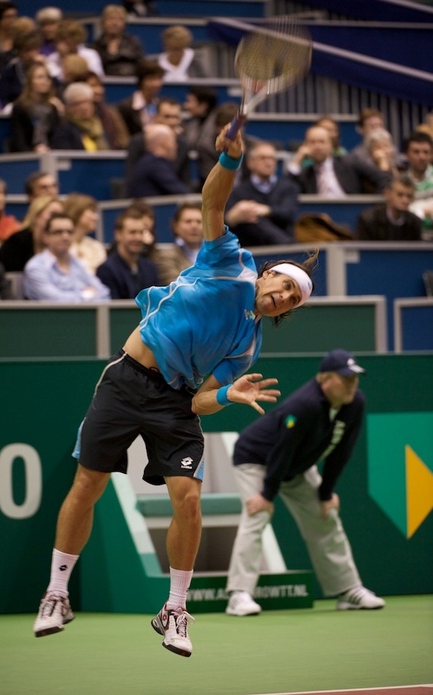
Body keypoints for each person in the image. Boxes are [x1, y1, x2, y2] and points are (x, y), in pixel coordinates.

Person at [32, 125, 317, 659]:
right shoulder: (228, 262)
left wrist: (229, 396)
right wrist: (230, 158)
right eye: (282, 285)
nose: (281, 297)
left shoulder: (246, 345)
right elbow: (213, 199)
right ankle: (56, 593)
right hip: (127, 379)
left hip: (174, 402)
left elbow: (197, 403)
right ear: (268, 274)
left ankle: (176, 610)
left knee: (188, 502)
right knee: (88, 484)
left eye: (291, 301)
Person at [225, 348, 386, 617]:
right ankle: (239, 595)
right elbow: (281, 450)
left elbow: (342, 450)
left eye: (354, 378)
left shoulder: (354, 402)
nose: (351, 384)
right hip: (255, 458)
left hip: (296, 465)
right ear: (324, 379)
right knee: (257, 515)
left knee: (326, 517)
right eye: (344, 378)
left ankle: (348, 590)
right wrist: (266, 495)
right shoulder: (304, 405)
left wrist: (326, 494)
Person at [225, 140, 300, 246]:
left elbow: (288, 212)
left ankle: (286, 244)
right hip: (252, 249)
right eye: (263, 158)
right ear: (250, 163)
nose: (268, 163)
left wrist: (266, 210)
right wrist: (231, 218)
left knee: (252, 213)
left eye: (272, 158)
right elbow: (227, 220)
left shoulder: (288, 187)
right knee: (250, 214)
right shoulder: (238, 191)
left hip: (284, 246)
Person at [23, 212, 110, 301]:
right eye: (58, 232)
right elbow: (56, 301)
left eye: (69, 232)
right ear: (46, 237)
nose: (65, 237)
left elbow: (104, 293)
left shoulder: (76, 262)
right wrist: (86, 295)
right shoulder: (36, 267)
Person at [287, 125, 391, 196]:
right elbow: (287, 192)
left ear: (330, 145)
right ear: (306, 146)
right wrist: (297, 159)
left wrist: (375, 204)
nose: (317, 146)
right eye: (312, 142)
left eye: (321, 142)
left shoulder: (350, 162)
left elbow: (384, 178)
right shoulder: (305, 173)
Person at [125, 97, 190, 193]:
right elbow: (131, 179)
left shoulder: (182, 145)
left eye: (176, 117)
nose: (172, 122)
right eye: (167, 117)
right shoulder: (138, 142)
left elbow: (185, 181)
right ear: (156, 117)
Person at [96, 204, 159, 298]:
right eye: (132, 232)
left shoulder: (150, 268)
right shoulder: (107, 270)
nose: (137, 237)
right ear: (118, 234)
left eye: (141, 232)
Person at [0, 194, 63, 271]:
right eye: (53, 214)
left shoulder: (62, 242)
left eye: (61, 215)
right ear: (36, 216)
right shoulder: (17, 242)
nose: (58, 219)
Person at [126, 123, 191, 197]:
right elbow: (182, 193)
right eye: (173, 141)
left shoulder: (148, 161)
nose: (176, 147)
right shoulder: (155, 165)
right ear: (164, 143)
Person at [9, 61, 62, 152]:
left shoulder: (52, 108)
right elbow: (19, 140)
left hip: (50, 153)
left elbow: (57, 137)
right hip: (27, 155)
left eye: (47, 78)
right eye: (40, 77)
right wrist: (34, 151)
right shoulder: (20, 107)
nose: (45, 81)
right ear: (30, 81)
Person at [355, 175, 422, 241]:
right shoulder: (368, 221)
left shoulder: (415, 223)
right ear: (387, 194)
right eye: (400, 195)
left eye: (409, 196)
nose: (405, 200)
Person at [152, 202, 203, 285]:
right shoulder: (165, 256)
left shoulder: (217, 254)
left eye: (199, 222)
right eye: (188, 221)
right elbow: (177, 286)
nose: (194, 226)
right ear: (176, 226)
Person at [50, 82, 110, 151]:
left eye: (87, 102)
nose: (84, 107)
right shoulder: (63, 132)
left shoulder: (100, 126)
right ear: (69, 108)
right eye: (78, 103)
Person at [0, 29, 43, 108]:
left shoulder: (44, 68)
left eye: (35, 49)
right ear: (19, 52)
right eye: (28, 50)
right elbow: (3, 98)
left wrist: (45, 66)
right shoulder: (10, 70)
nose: (32, 54)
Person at [92, 4, 144, 77]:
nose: (114, 23)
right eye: (110, 19)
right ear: (103, 23)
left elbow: (142, 66)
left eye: (119, 20)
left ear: (124, 24)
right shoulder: (96, 46)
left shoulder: (133, 43)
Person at [46, 18, 104, 83]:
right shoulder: (52, 58)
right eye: (59, 40)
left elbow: (96, 77)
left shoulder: (91, 55)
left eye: (66, 41)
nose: (61, 45)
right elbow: (58, 79)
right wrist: (63, 58)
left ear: (76, 41)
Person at [117, 59, 164, 137]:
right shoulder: (125, 108)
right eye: (151, 79)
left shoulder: (162, 105)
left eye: (158, 79)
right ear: (141, 81)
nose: (156, 84)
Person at [63, 193, 107, 275]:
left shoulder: (96, 247)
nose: (96, 217)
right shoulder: (61, 247)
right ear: (76, 212)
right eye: (92, 212)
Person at [86, 71, 129, 150]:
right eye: (92, 86)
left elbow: (123, 139)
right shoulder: (76, 116)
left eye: (99, 86)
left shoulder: (111, 112)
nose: (98, 90)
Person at [403, 131, 433, 239]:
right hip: (410, 239)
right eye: (416, 152)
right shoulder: (400, 182)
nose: (422, 157)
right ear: (407, 155)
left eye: (426, 152)